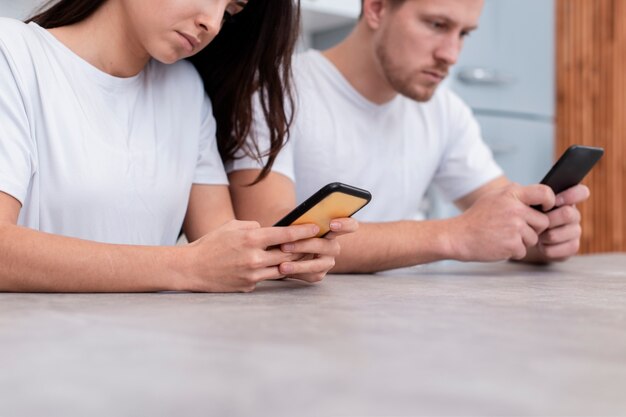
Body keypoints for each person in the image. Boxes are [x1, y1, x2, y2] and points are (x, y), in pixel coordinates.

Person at [0, 0, 357, 293]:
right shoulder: (13, 53)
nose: (213, 24)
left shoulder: (185, 91)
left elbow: (221, 242)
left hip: (145, 360)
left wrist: (286, 256)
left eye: (230, 10)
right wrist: (184, 266)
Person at [228, 0, 590, 273]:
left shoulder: (445, 111)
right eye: (436, 24)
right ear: (376, 8)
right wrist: (455, 235)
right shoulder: (274, 89)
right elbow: (271, 232)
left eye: (463, 34)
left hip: (399, 329)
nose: (450, 54)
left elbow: (501, 212)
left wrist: (540, 235)